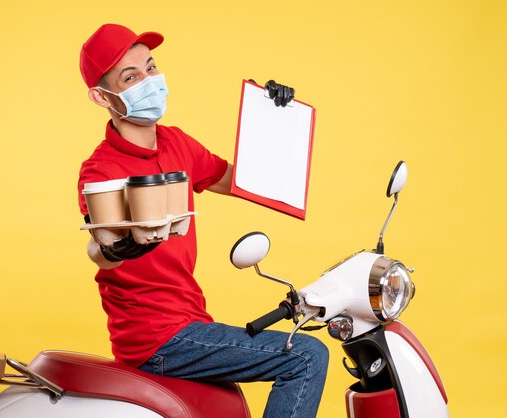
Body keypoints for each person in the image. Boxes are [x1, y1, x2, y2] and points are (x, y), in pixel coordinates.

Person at [77, 23, 328, 418]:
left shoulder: (178, 143)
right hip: (155, 340)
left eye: (151, 68)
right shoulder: (101, 170)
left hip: (190, 324)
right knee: (307, 356)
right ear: (100, 95)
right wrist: (113, 248)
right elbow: (100, 249)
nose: (149, 82)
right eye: (130, 77)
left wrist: (276, 119)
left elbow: (243, 181)